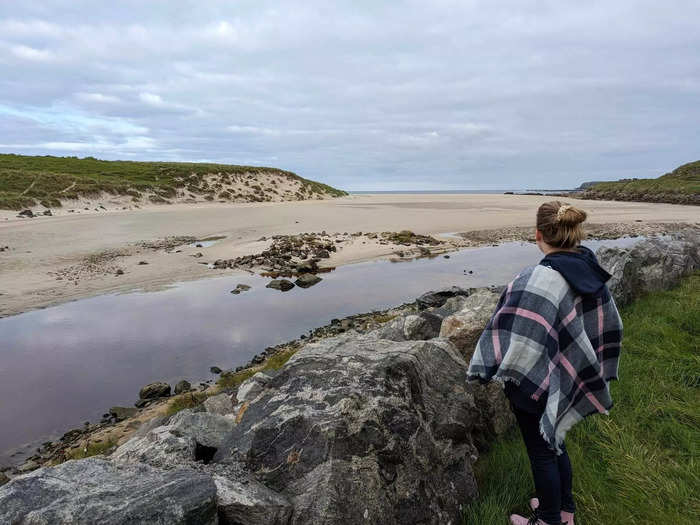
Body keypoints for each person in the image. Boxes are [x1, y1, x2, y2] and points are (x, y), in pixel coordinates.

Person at [467, 201, 623, 525]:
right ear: (574, 235)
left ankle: (549, 518)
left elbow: (507, 328)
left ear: (538, 234)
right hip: (566, 377)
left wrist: (490, 364)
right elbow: (611, 324)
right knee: (556, 441)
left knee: (541, 452)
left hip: (531, 385)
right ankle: (565, 511)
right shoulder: (591, 270)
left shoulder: (534, 279)